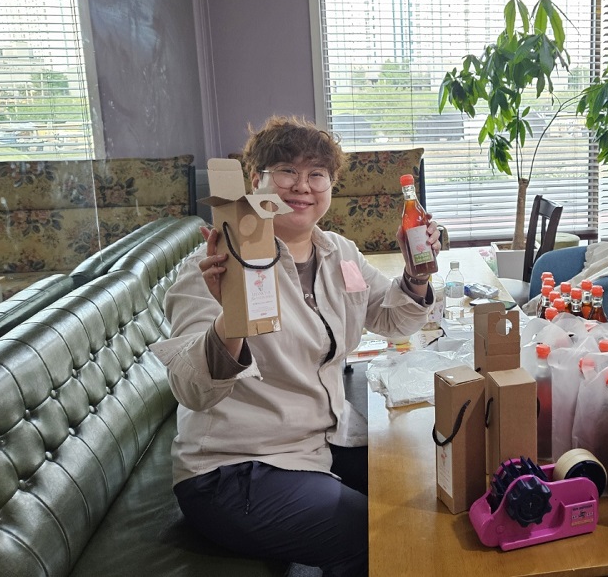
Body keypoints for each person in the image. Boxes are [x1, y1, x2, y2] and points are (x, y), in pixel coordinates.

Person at [157, 116, 441, 576]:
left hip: (320, 440)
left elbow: (392, 321)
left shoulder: (339, 253)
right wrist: (233, 314)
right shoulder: (215, 266)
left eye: (317, 174)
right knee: (376, 535)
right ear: (256, 181)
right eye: (286, 170)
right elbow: (192, 390)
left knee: (424, 482)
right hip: (235, 468)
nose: (302, 186)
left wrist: (416, 275)